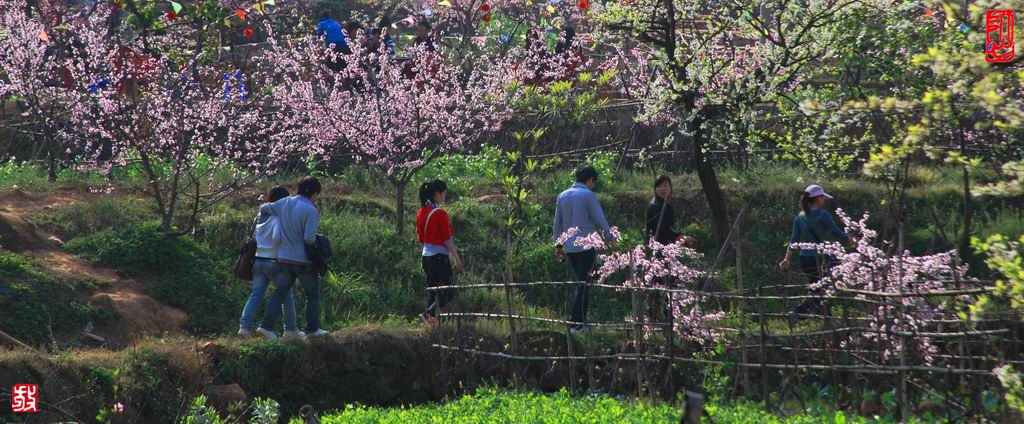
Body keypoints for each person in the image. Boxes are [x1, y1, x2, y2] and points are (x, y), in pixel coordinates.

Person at [257, 176, 329, 339]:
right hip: (303, 261)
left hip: (284, 259)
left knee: (280, 292)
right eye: (317, 193)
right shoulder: (311, 209)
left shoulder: (285, 202)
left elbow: (263, 208)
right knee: (313, 294)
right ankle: (312, 329)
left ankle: (266, 327)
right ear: (314, 193)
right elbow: (309, 238)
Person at [553, 165, 618, 334]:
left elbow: (557, 223)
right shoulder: (588, 195)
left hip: (569, 248)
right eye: (593, 182)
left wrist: (558, 245)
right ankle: (577, 324)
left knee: (581, 284)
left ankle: (578, 322)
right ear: (590, 180)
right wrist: (611, 239)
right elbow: (599, 219)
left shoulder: (562, 196)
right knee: (584, 285)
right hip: (586, 246)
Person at [778, 184, 850, 325]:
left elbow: (793, 240)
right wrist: (851, 240)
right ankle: (798, 313)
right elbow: (836, 231)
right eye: (822, 197)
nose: (823, 200)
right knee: (820, 289)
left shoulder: (800, 217)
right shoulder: (823, 214)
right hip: (820, 258)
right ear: (817, 198)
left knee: (818, 288)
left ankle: (824, 317)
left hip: (805, 258)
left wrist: (787, 259)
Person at [238, 186, 303, 339]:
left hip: (258, 261)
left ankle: (244, 328)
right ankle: (290, 330)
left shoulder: (259, 217)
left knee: (256, 295)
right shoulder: (279, 218)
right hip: (275, 262)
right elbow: (277, 238)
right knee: (286, 294)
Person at [416, 180, 464, 323]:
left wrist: (423, 257)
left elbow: (420, 238)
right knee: (448, 291)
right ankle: (428, 314)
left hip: (427, 257)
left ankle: (429, 323)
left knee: (432, 290)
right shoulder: (440, 214)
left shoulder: (421, 212)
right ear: (437, 194)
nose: (444, 196)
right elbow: (447, 240)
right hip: (439, 257)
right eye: (444, 194)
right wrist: (457, 258)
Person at [646, 175, 695, 248]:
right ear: (655, 189)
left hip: (667, 244)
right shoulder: (655, 206)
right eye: (659, 186)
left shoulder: (667, 206)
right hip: (657, 246)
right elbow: (662, 230)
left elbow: (669, 228)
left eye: (665, 185)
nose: (663, 189)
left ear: (670, 187)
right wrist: (681, 237)